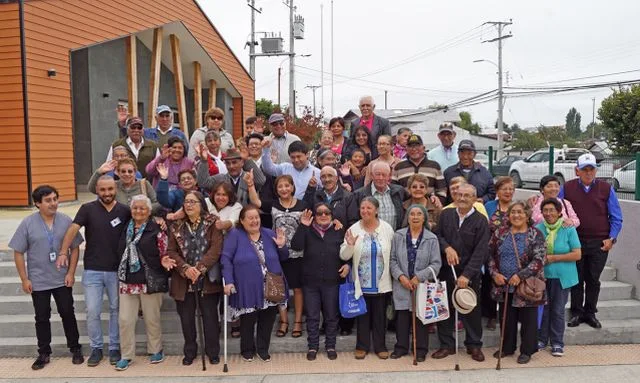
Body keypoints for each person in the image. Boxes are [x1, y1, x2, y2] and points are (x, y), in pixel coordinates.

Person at [9, 185, 84, 370]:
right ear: (37, 203)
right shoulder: (28, 223)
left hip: (61, 278)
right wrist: (24, 279)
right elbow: (18, 252)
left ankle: (75, 349)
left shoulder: (66, 220)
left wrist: (71, 273)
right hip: (39, 280)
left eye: (55, 199)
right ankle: (44, 353)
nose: (53, 203)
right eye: (48, 200)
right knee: (41, 317)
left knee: (68, 313)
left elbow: (75, 247)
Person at [59, 176, 131, 367]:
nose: (106, 193)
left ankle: (115, 347)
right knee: (92, 311)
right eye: (102, 190)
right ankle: (96, 348)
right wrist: (62, 252)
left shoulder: (124, 210)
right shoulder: (87, 209)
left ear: (115, 188)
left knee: (117, 310)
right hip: (93, 270)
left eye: (109, 189)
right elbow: (73, 229)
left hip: (117, 270)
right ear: (96, 190)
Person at [559, 153, 623, 329]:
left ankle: (590, 313)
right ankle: (576, 313)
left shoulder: (606, 189)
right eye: (584, 169)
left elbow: (616, 217)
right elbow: (558, 208)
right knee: (577, 279)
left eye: (591, 169)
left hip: (599, 242)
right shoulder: (567, 188)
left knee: (593, 279)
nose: (588, 173)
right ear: (577, 170)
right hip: (575, 242)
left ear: (596, 170)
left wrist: (611, 238)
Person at [221, 205, 288, 362]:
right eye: (250, 218)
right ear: (242, 221)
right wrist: (229, 281)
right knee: (248, 319)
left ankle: (263, 349)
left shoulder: (269, 233)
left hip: (271, 284)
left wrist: (281, 245)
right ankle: (247, 349)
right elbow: (225, 258)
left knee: (268, 318)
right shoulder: (235, 235)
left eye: (256, 217)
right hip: (247, 286)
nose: (254, 220)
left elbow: (283, 257)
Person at [432, 184, 489, 362]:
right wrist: (447, 247)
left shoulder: (480, 221)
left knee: (471, 309)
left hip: (469, 274)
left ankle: (474, 345)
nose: (462, 198)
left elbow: (481, 251)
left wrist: (467, 275)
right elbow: (438, 236)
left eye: (467, 195)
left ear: (474, 198)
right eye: (459, 194)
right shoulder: (446, 214)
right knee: (445, 309)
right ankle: (446, 345)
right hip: (446, 271)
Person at [114, 195, 173, 371]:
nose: (138, 211)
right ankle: (126, 355)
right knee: (125, 319)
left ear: (149, 211)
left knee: (152, 318)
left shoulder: (156, 229)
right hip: (127, 281)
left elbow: (164, 251)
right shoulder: (125, 227)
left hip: (150, 281)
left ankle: (156, 350)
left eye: (142, 208)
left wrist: (164, 261)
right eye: (135, 208)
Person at [166, 191, 224, 366]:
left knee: (210, 317)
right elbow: (171, 251)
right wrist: (185, 269)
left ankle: (213, 351)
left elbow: (216, 249)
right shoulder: (177, 225)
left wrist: (199, 269)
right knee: (187, 319)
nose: (188, 205)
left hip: (206, 279)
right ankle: (190, 351)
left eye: (193, 202)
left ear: (201, 204)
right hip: (183, 279)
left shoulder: (212, 222)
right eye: (186, 202)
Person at [248, 174, 307, 339]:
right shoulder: (273, 205)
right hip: (278, 253)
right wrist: (251, 184)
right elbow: (256, 202)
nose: (284, 189)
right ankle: (283, 321)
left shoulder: (303, 205)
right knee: (280, 288)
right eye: (280, 186)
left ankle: (297, 322)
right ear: (276, 190)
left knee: (298, 289)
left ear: (292, 187)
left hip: (298, 254)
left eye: (287, 186)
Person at [488, 201, 546, 364]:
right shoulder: (500, 233)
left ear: (527, 215)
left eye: (520, 212)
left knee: (528, 319)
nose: (516, 215)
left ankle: (527, 351)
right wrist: (494, 273)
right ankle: (507, 347)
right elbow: (490, 255)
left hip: (526, 284)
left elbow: (539, 259)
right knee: (507, 318)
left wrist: (520, 276)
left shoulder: (535, 234)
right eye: (513, 212)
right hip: (504, 283)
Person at [291, 204, 350, 361]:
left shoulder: (339, 230)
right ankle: (313, 347)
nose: (323, 215)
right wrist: (303, 226)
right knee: (312, 316)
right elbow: (295, 246)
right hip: (311, 282)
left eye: (326, 212)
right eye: (319, 213)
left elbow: (347, 253)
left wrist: (348, 265)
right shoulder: (308, 230)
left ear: (331, 215)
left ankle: (330, 345)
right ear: (314, 216)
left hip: (332, 281)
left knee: (331, 316)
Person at [340, 197, 395, 360]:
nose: (365, 211)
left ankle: (380, 346)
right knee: (362, 315)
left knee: (380, 316)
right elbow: (343, 255)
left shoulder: (386, 228)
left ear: (376, 210)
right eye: (362, 208)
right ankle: (362, 346)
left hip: (381, 282)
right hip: (361, 282)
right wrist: (349, 245)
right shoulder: (354, 229)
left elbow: (393, 253)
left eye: (369, 208)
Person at [389, 204, 442, 361]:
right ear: (408, 217)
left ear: (424, 217)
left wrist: (419, 277)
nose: (415, 217)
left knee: (420, 319)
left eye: (419, 214)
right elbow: (392, 260)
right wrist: (401, 277)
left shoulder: (431, 238)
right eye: (412, 214)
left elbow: (436, 264)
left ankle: (420, 349)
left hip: (422, 285)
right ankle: (401, 347)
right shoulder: (398, 235)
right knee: (402, 318)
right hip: (402, 284)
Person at [536, 198, 582, 357]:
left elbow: (577, 254)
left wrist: (554, 258)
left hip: (563, 277)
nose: (548, 214)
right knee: (543, 309)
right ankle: (541, 339)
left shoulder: (568, 228)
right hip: (542, 277)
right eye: (545, 210)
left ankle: (557, 342)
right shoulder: (538, 228)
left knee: (557, 310)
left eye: (552, 210)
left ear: (559, 212)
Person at [483, 176, 515, 330]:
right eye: (504, 189)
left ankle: (507, 315)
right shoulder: (489, 206)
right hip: (490, 251)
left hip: (511, 252)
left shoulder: (517, 207)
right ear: (497, 191)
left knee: (508, 283)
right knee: (490, 283)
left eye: (510, 189)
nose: (508, 192)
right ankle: (490, 315)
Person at [88, 158, 162, 215]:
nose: (126, 174)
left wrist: (141, 210)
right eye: (123, 171)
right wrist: (99, 172)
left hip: (141, 223)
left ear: (135, 172)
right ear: (118, 173)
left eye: (130, 171)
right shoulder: (114, 185)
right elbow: (92, 189)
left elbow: (157, 204)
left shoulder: (144, 184)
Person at [195, 147, 266, 205]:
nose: (231, 166)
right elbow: (203, 183)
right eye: (228, 163)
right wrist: (204, 161)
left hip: (246, 218)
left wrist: (247, 160)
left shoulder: (249, 177)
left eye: (234, 162)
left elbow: (261, 181)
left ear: (242, 163)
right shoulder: (220, 178)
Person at [351, 161, 409, 231]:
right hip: (370, 237)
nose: (381, 178)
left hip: (395, 237)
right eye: (377, 174)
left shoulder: (399, 191)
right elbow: (354, 220)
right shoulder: (359, 194)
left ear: (389, 176)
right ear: (372, 175)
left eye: (384, 175)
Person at [392, 134, 447, 204]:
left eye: (417, 145)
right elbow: (394, 190)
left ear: (423, 148)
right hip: (405, 209)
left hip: (429, 209)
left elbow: (442, 190)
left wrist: (436, 202)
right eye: (410, 146)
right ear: (406, 149)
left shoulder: (434, 166)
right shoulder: (399, 167)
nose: (414, 149)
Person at [443, 140, 495, 204]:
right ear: (458, 154)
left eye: (469, 154)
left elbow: (492, 193)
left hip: (477, 210)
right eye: (462, 153)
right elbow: (444, 194)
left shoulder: (485, 173)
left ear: (475, 154)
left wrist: (483, 200)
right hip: (454, 211)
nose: (465, 157)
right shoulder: (449, 172)